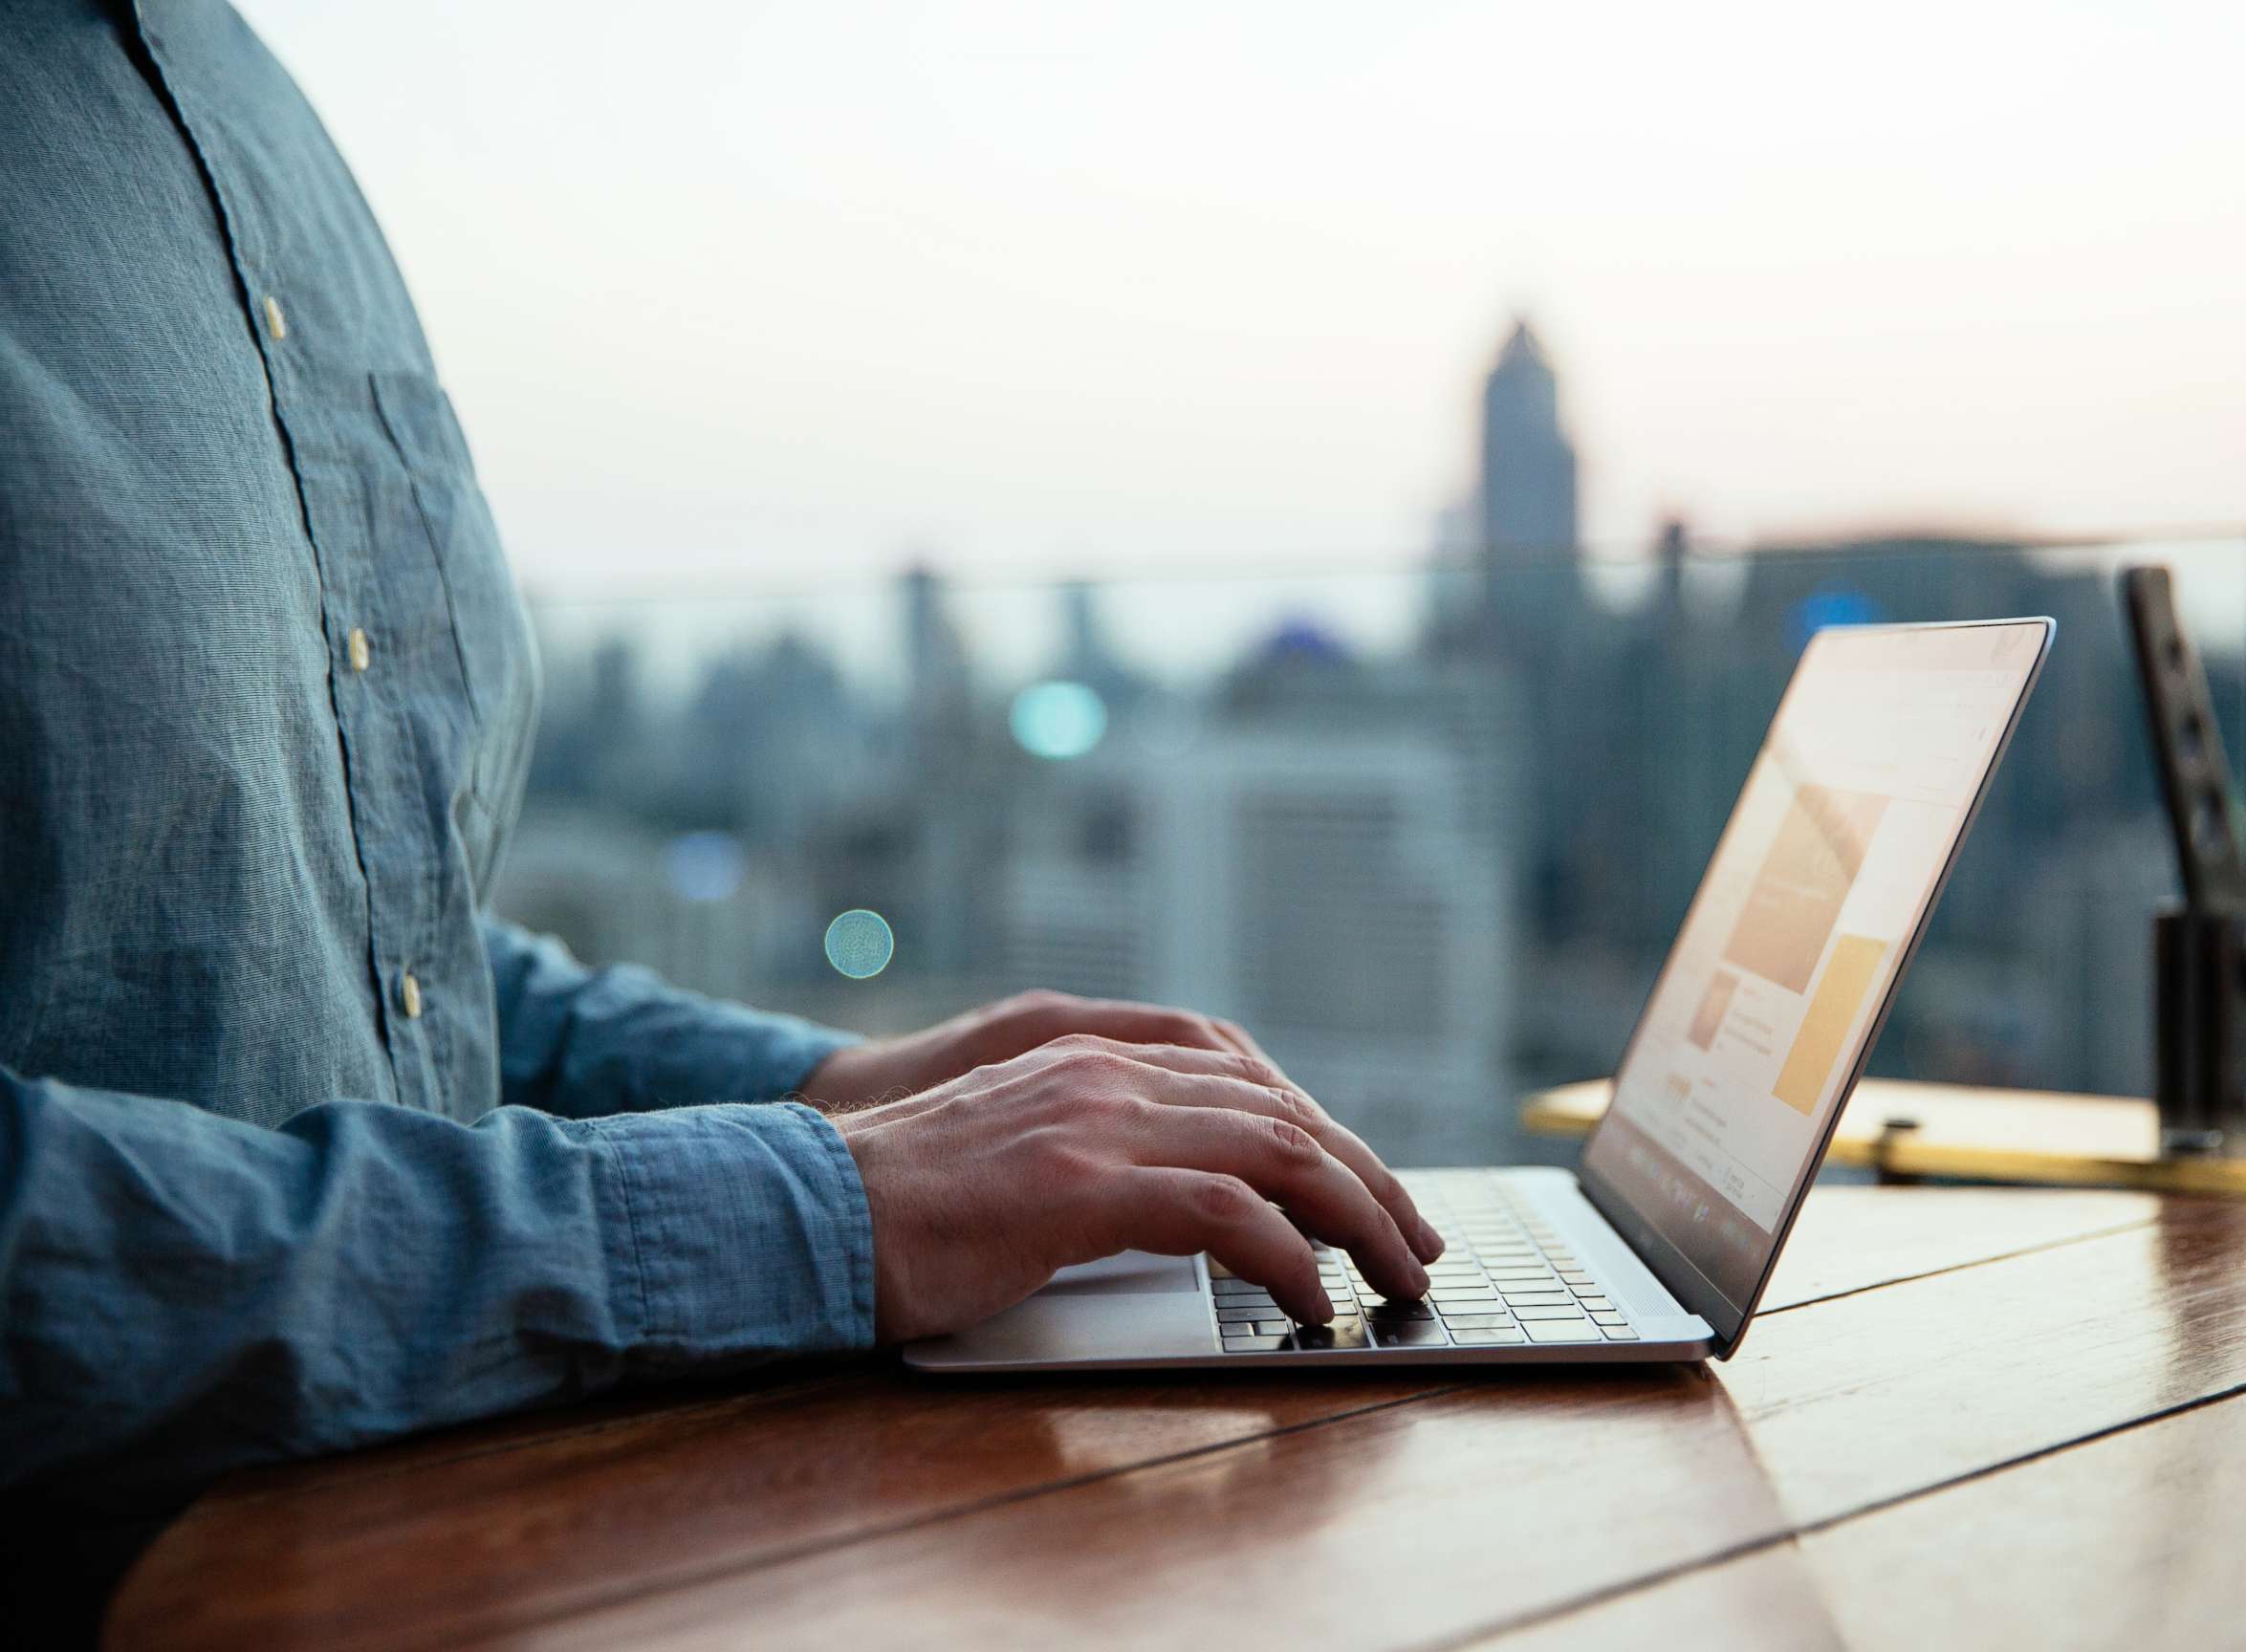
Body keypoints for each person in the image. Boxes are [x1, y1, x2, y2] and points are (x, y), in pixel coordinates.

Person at [0, 0, 1441, 1623]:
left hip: (475, 1551)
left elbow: (327, 945)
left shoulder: (240, 101)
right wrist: (814, 1202)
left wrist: (842, 1087)